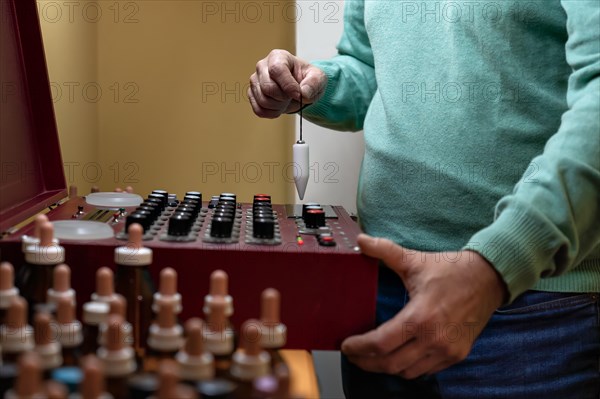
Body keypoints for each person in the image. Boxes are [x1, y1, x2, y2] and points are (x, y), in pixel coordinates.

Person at [248, 1, 600, 398]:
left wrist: (493, 268)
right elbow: (370, 69)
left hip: (530, 312)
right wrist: (319, 83)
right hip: (379, 290)